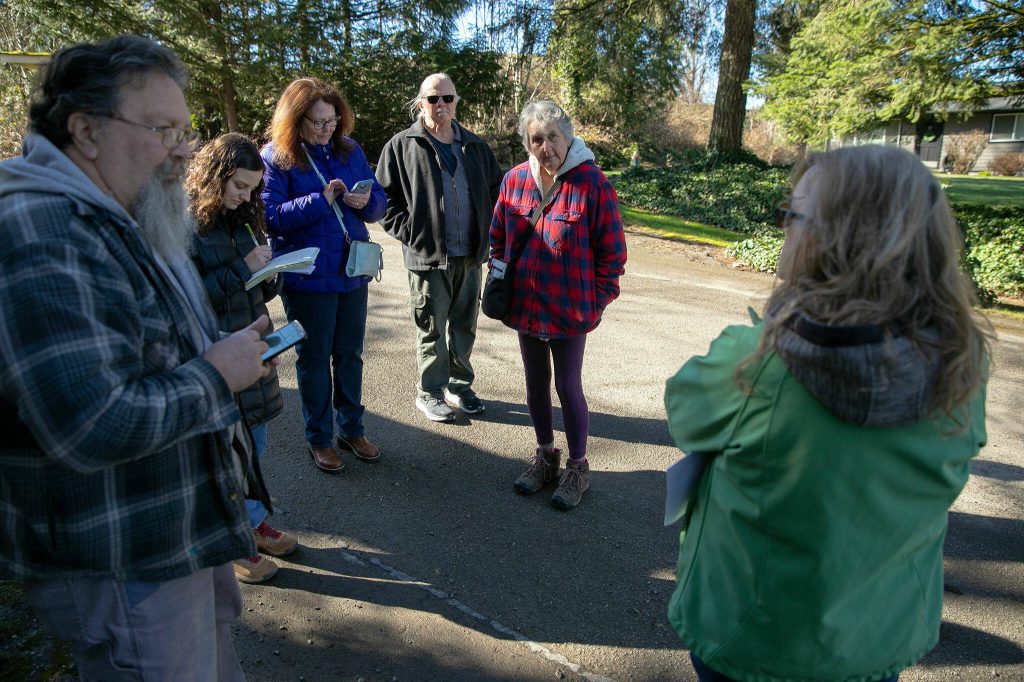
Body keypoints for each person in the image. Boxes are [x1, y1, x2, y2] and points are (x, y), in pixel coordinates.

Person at [0, 35, 275, 680]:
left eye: (185, 129)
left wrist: (218, 352)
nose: (185, 150)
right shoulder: (43, 231)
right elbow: (89, 422)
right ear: (85, 131)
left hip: (174, 539)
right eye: (163, 129)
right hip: (125, 564)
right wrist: (216, 374)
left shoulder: (116, 213)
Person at [664, 145, 990, 681]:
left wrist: (762, 332)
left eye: (793, 215)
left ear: (838, 240)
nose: (783, 228)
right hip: (877, 637)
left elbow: (684, 410)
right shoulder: (964, 360)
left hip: (756, 636)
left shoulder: (756, 361)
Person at [489, 100, 627, 510]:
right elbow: (498, 235)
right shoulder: (514, 181)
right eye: (536, 138)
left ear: (568, 138)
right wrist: (501, 274)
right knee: (535, 383)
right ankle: (545, 457)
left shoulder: (593, 184)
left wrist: (596, 301)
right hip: (525, 305)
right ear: (527, 143)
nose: (545, 146)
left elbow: (613, 255)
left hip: (570, 309)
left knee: (567, 386)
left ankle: (578, 467)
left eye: (552, 137)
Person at [189, 133, 300, 585]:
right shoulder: (185, 226)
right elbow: (188, 299)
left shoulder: (245, 219)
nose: (246, 196)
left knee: (255, 447)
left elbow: (256, 284)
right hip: (218, 353)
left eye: (254, 188)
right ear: (215, 176)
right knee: (224, 454)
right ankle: (231, 541)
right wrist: (243, 271)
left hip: (256, 348)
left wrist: (270, 275)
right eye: (238, 186)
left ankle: (252, 525)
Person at [261, 77, 386, 473]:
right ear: (295, 120)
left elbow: (379, 204)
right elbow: (271, 218)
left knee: (349, 355)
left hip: (351, 270)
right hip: (307, 276)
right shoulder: (276, 157)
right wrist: (322, 199)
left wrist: (366, 201)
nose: (326, 130)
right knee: (314, 358)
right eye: (317, 123)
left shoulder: (349, 149)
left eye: (332, 121)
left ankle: (352, 428)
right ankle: (319, 438)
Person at [376, 73, 504, 422]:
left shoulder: (474, 146)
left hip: (470, 257)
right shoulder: (402, 146)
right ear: (420, 103)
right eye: (433, 99)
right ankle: (429, 392)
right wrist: (412, 232)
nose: (441, 105)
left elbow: (497, 192)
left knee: (465, 326)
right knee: (431, 327)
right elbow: (383, 199)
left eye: (447, 98)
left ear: (456, 101)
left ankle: (460, 386)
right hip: (428, 257)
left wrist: (489, 234)